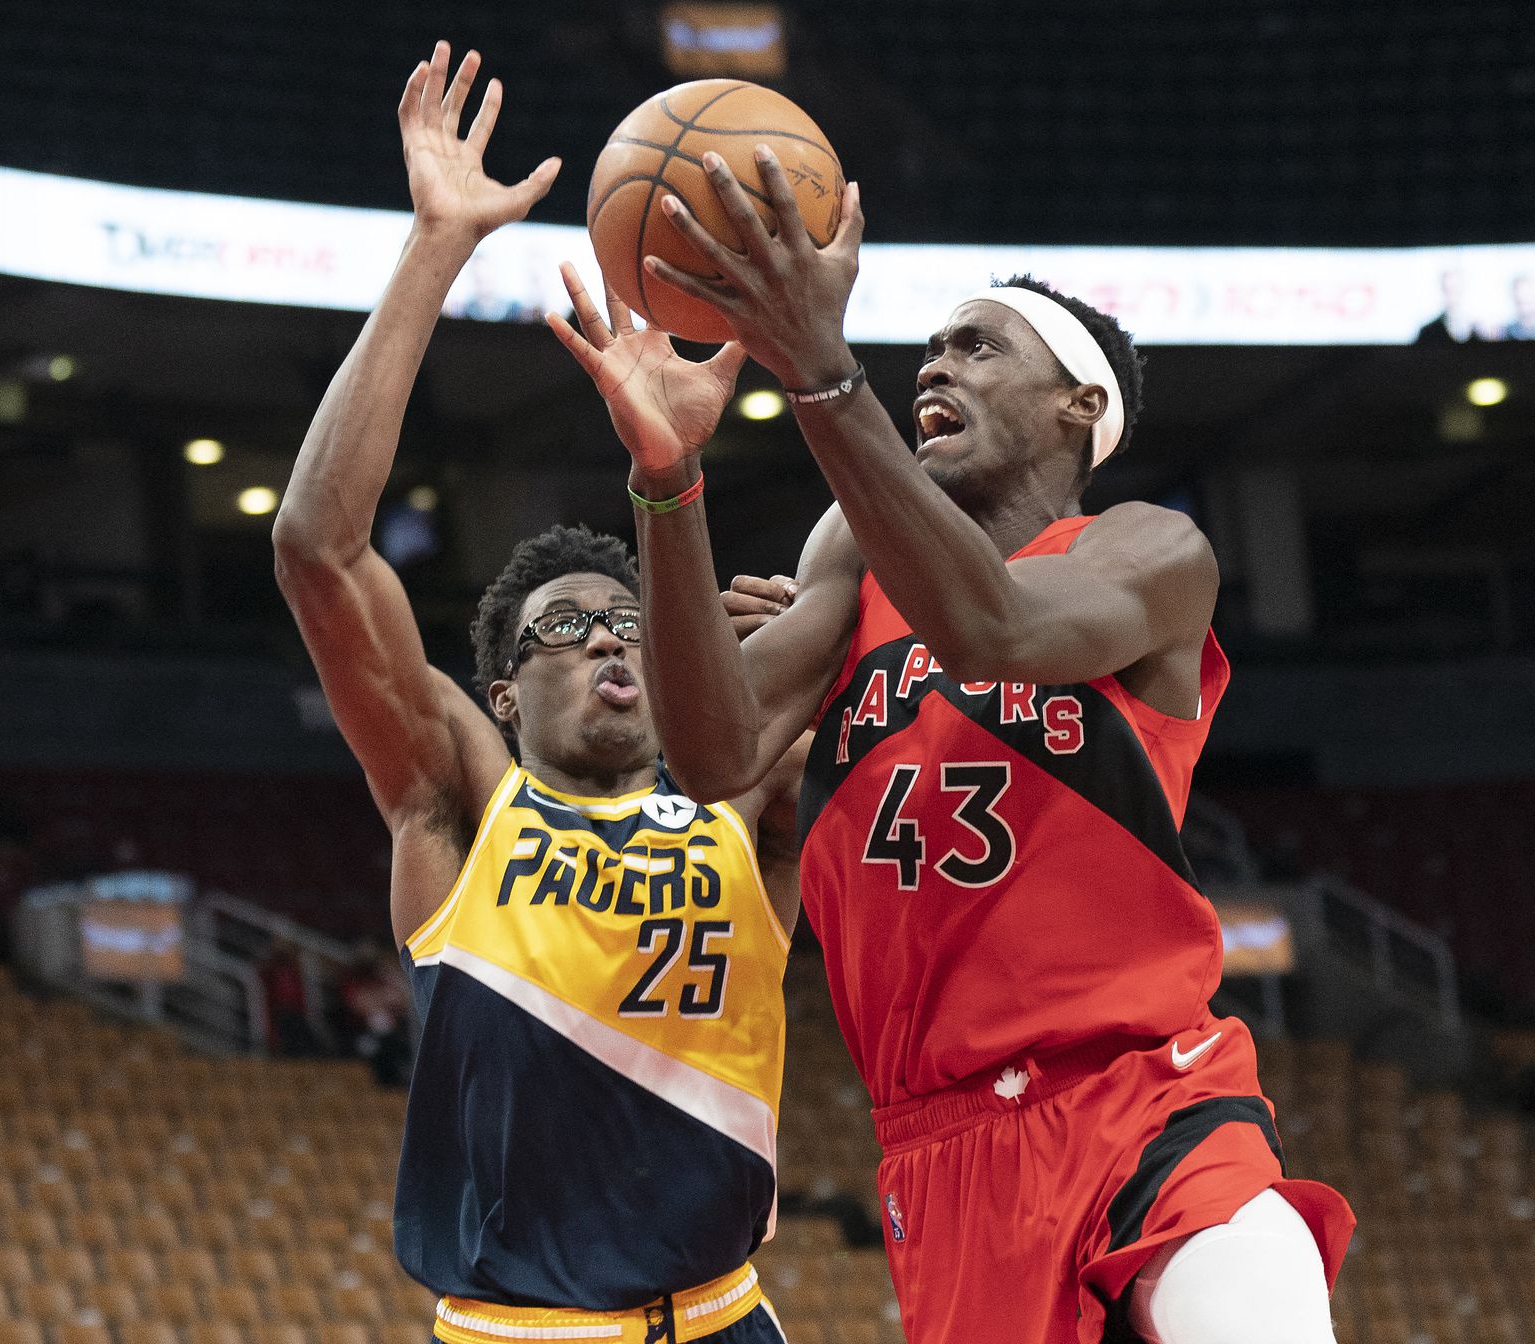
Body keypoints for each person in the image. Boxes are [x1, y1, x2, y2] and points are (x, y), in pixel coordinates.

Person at [548, 147, 1355, 1344]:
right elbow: (711, 754)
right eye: (929, 345)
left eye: (979, 346)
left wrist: (824, 372)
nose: (935, 361)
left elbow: (995, 626)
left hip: (1147, 1092)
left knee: (1254, 1294)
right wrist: (667, 482)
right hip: (945, 1149)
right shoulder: (851, 560)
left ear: (1079, 406)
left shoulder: (1148, 550)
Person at [272, 45, 803, 1344]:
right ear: (501, 695)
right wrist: (436, 248)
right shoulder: (464, 812)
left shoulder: (746, 806)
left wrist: (812, 638)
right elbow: (318, 550)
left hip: (734, 1317)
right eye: (571, 629)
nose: (614, 643)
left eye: (631, 623)